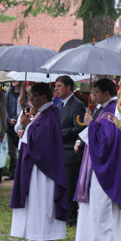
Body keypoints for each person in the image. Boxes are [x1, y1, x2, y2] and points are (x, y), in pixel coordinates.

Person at [74, 78, 121, 241]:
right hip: (107, 165)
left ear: (106, 93)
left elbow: (105, 141)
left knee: (103, 207)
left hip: (106, 168)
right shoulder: (109, 111)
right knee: (101, 208)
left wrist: (91, 124)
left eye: (96, 92)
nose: (93, 96)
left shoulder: (110, 112)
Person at [9, 82, 68, 241]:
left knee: (42, 201)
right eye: (29, 97)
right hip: (37, 166)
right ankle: (37, 234)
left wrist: (27, 126)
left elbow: (42, 141)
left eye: (33, 96)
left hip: (44, 169)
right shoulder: (43, 114)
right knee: (37, 201)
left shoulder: (50, 115)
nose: (30, 100)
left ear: (43, 97)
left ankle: (43, 236)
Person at [54, 75, 86, 225]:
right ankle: (62, 212)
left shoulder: (77, 105)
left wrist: (59, 133)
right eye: (55, 86)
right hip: (60, 150)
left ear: (68, 87)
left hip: (70, 150)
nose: (56, 89)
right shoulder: (60, 105)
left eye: (59, 86)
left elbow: (78, 128)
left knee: (70, 185)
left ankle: (71, 216)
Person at [5, 81, 22, 180]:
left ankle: (20, 173)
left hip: (20, 125)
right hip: (9, 127)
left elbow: (23, 108)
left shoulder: (22, 93)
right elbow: (5, 109)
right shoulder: (8, 93)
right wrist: (9, 120)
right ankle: (12, 173)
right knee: (11, 152)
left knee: (20, 150)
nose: (14, 81)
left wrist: (16, 119)